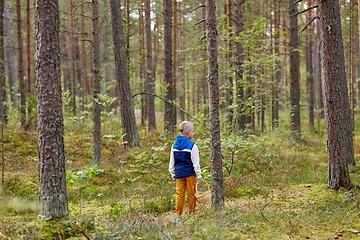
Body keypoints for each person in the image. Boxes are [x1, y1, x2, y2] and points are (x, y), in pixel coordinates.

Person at [169, 121, 204, 220]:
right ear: (188, 132)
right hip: (189, 174)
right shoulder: (192, 146)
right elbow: (195, 163)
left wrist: (172, 173)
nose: (193, 133)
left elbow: (172, 160)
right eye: (192, 131)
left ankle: (178, 215)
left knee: (179, 194)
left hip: (179, 174)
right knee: (191, 194)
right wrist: (199, 175)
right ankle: (191, 213)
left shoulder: (174, 145)